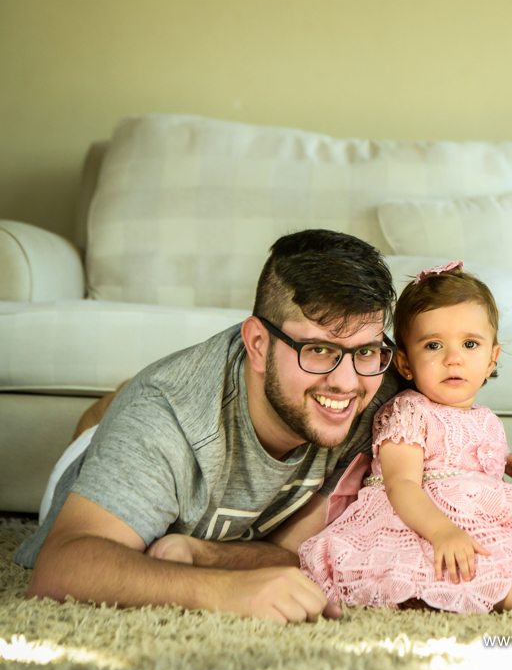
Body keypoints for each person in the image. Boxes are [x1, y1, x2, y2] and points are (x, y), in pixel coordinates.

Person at [17, 229, 399, 624]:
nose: (347, 383)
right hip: (104, 450)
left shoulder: (380, 400)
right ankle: (105, 413)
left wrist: (205, 555)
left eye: (366, 350)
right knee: (113, 424)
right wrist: (224, 591)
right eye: (318, 349)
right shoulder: (164, 417)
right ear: (258, 344)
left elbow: (293, 554)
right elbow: (59, 569)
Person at [298, 262, 512, 619]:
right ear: (405, 363)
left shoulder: (487, 419)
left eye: (469, 344)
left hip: (475, 522)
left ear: (491, 358)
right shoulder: (408, 411)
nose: (453, 359)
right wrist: (441, 531)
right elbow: (400, 484)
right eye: (433, 345)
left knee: (510, 554)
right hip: (418, 521)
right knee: (453, 569)